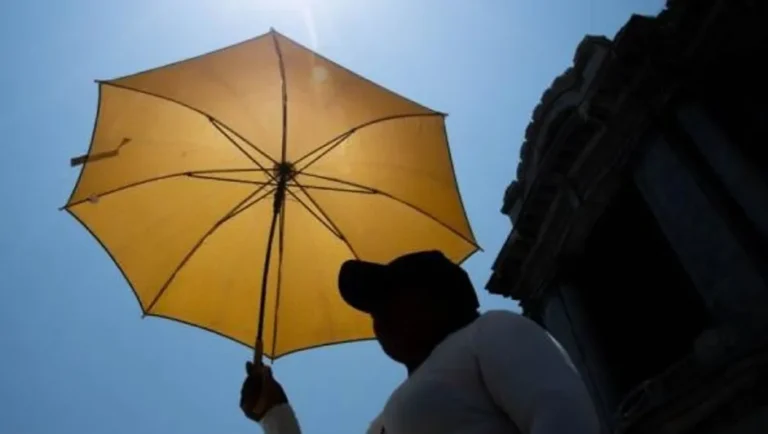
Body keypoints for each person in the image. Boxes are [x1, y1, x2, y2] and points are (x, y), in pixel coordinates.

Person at [240, 250, 600, 434]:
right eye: (373, 311)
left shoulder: (492, 331)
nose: (379, 321)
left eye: (390, 300)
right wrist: (275, 412)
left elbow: (561, 415)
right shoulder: (382, 421)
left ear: (438, 297)